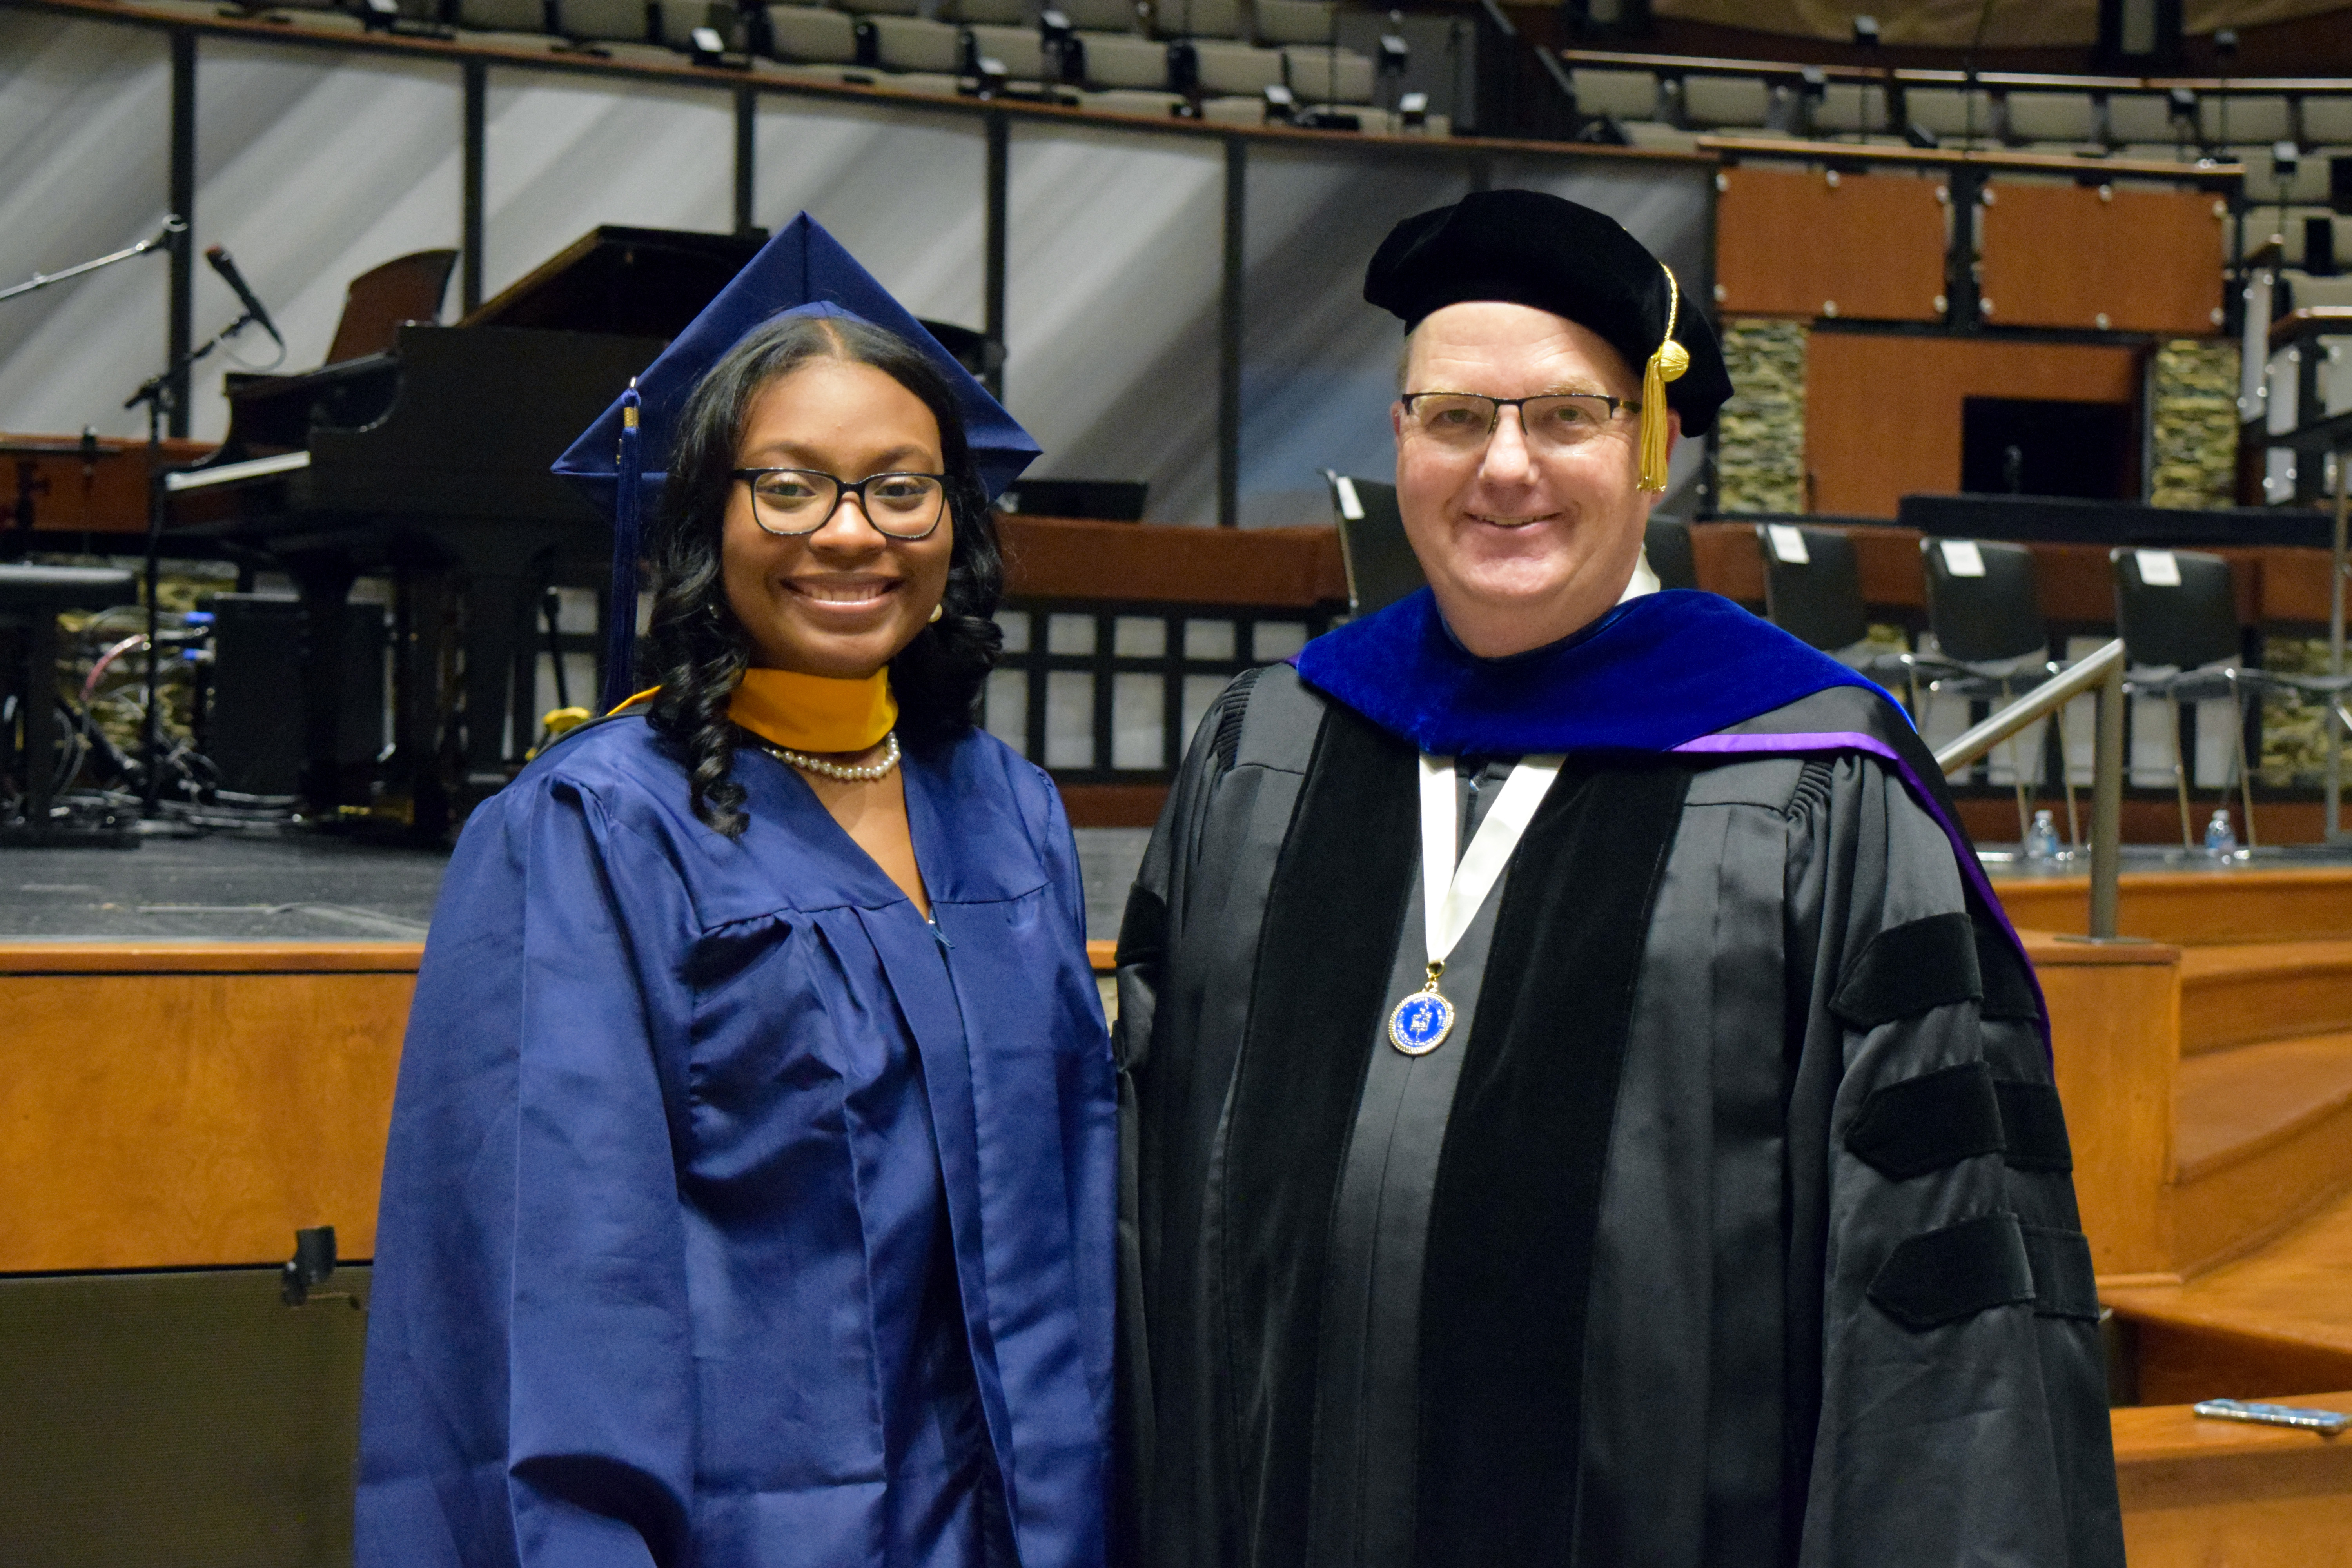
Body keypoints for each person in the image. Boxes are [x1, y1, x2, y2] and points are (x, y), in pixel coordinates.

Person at [1112, 190, 2123, 1568]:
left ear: (1652, 451)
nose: (1505, 468)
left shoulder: (1820, 785)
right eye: (1456, 417)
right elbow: (1143, 1215)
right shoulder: (1269, 748)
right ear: (1401, 440)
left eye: (1565, 417)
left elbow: (1939, 1298)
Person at [358, 218, 1115, 1568]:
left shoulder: (1011, 816)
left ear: (957, 522)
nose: (850, 535)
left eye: (901, 488)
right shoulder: (592, 829)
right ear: (705, 517)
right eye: (790, 488)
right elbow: (565, 1282)